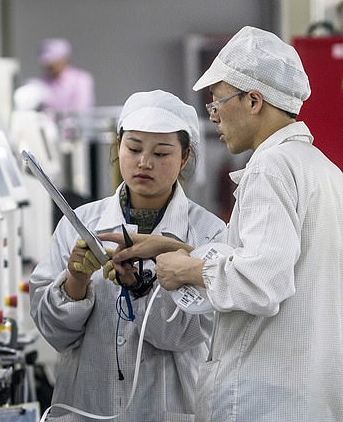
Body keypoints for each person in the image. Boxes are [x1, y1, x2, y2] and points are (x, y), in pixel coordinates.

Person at [136, 26, 343, 421]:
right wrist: (179, 252)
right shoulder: (324, 170)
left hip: (268, 398)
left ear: (253, 100)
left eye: (217, 102)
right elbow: (284, 264)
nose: (213, 116)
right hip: (311, 395)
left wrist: (191, 270)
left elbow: (262, 283)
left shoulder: (271, 167)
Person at [29, 89, 226, 421]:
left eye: (161, 153)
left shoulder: (209, 234)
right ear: (117, 148)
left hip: (170, 409)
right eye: (133, 148)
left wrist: (139, 287)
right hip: (87, 405)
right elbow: (54, 334)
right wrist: (76, 281)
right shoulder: (79, 225)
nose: (144, 162)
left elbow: (188, 335)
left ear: (184, 158)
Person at [31, 38, 95, 117]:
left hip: (75, 128)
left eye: (52, 62)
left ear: (63, 59)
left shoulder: (80, 80)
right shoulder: (40, 83)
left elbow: (81, 110)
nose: (48, 66)